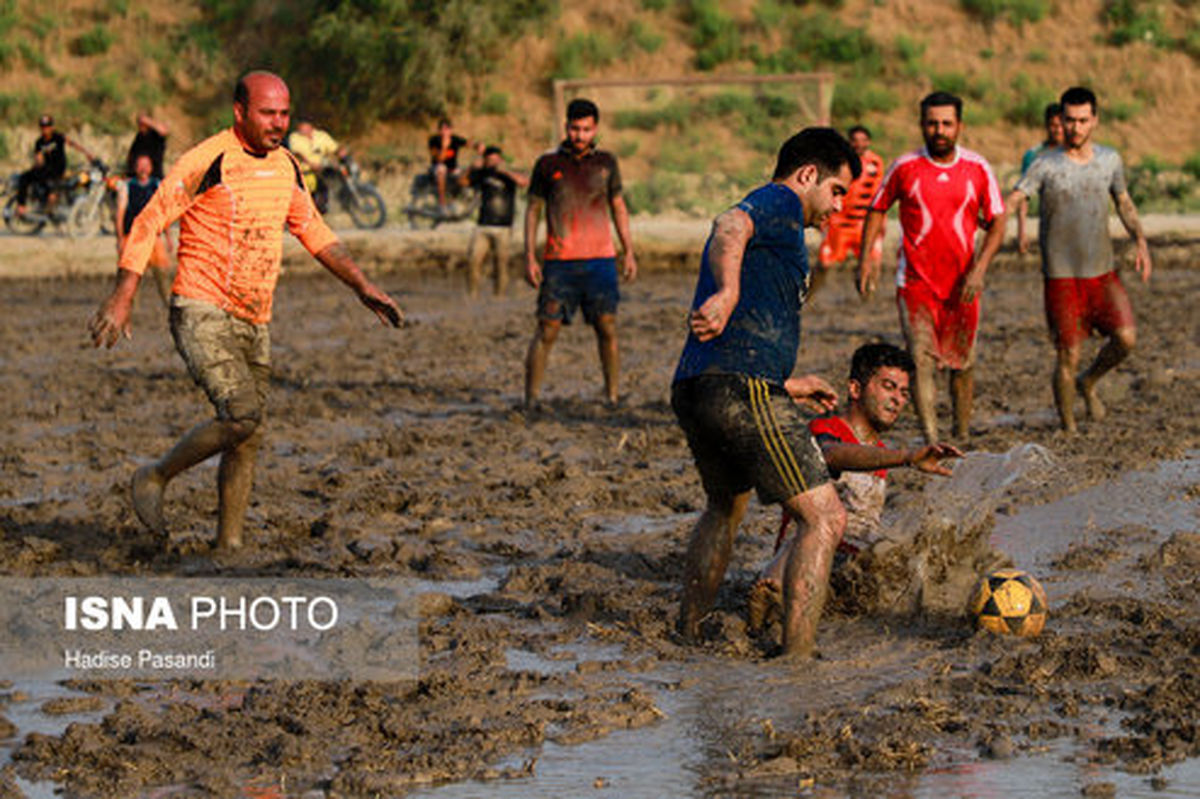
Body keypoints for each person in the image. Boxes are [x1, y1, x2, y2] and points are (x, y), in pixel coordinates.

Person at [89, 71, 403, 552]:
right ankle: (154, 476)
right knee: (240, 414)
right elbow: (150, 219)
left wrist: (362, 286)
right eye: (267, 113)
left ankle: (228, 546)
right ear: (240, 112)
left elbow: (315, 232)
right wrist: (123, 295)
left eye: (284, 113)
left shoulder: (287, 166)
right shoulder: (208, 159)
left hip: (255, 316)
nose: (278, 123)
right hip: (201, 305)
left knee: (247, 434)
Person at [671, 127, 859, 658]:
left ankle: (687, 633)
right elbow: (729, 224)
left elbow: (752, 317)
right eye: (837, 191)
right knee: (825, 516)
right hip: (738, 387)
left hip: (700, 384)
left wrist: (787, 384)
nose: (838, 207)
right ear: (806, 176)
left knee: (724, 507)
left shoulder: (781, 231)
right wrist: (727, 292)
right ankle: (798, 659)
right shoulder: (778, 200)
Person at [747, 343, 963, 633]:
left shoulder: (881, 452)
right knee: (803, 538)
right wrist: (908, 458)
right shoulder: (827, 429)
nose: (897, 400)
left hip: (855, 563)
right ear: (855, 389)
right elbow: (831, 455)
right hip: (812, 549)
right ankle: (773, 590)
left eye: (903, 393)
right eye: (888, 387)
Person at [857, 91, 1006, 444]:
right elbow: (877, 208)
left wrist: (980, 268)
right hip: (915, 284)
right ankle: (932, 440)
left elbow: (997, 223)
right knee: (921, 361)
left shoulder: (978, 168)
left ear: (959, 126)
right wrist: (867, 258)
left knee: (962, 364)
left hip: (963, 285)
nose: (939, 130)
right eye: (932, 123)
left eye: (946, 124)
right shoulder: (905, 166)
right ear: (922, 125)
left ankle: (962, 432)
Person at [1006, 86, 1151, 433]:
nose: (1075, 127)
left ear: (1094, 121)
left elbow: (1124, 202)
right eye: (1069, 120)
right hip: (1061, 276)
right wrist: (991, 218)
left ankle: (1090, 381)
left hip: (1102, 272)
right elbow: (1014, 199)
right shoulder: (1044, 164)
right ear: (1061, 120)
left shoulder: (1109, 160)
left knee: (1126, 338)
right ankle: (1069, 427)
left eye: (1083, 120)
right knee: (1067, 355)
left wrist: (1141, 240)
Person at [524, 98, 637, 408]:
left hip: (600, 261)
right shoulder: (547, 165)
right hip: (559, 262)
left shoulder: (607, 163)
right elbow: (533, 210)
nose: (580, 135)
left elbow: (618, 208)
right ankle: (531, 400)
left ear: (595, 129)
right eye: (575, 128)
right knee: (547, 329)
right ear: (566, 127)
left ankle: (612, 396)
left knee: (607, 327)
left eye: (586, 129)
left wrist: (628, 252)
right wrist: (529, 257)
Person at [812, 125, 885, 296]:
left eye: (863, 140)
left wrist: (881, 222)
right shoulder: (839, 162)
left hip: (864, 223)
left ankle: (868, 299)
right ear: (849, 142)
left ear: (868, 142)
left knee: (873, 262)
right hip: (840, 223)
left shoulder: (875, 162)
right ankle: (807, 297)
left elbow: (879, 195)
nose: (859, 144)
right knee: (824, 264)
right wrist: (823, 218)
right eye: (855, 141)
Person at [461, 144, 528, 296]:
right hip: (483, 226)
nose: (492, 163)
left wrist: (505, 171)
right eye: (489, 160)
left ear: (500, 160)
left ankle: (500, 296)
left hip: (503, 228)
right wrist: (472, 167)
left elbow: (524, 182)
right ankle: (472, 294)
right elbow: (462, 182)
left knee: (501, 264)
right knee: (473, 259)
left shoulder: (508, 175)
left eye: (495, 160)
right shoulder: (482, 174)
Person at [114, 152, 172, 305]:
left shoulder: (157, 185)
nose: (143, 169)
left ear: (151, 168)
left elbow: (163, 213)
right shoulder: (127, 186)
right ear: (135, 168)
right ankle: (130, 306)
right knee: (130, 276)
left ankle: (168, 304)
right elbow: (119, 214)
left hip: (153, 237)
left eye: (146, 165)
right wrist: (119, 239)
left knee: (163, 274)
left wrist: (168, 237)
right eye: (140, 165)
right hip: (132, 237)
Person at [15, 114, 96, 216]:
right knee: (24, 177)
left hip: (57, 169)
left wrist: (87, 154)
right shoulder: (39, 142)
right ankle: (21, 205)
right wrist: (37, 162)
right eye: (43, 127)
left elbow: (73, 144)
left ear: (52, 127)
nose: (45, 129)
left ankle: (51, 209)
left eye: (47, 126)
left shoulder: (58, 137)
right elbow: (38, 157)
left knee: (53, 190)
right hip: (45, 169)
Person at [1016, 103, 1063, 255]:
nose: (1058, 130)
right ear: (1047, 126)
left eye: (1061, 125)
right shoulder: (1035, 156)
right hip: (1049, 226)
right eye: (1053, 125)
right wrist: (1022, 231)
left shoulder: (1078, 153)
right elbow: (1023, 197)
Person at [288, 119, 347, 213]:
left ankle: (337, 203)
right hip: (305, 172)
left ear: (310, 126)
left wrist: (340, 151)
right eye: (300, 127)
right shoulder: (294, 137)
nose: (302, 130)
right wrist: (310, 163)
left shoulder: (321, 136)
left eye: (305, 126)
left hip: (321, 170)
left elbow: (333, 147)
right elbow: (297, 153)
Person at [429, 118, 467, 216]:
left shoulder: (455, 139)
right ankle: (442, 203)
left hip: (452, 168)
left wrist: (478, 146)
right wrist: (444, 147)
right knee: (442, 169)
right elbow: (439, 159)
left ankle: (455, 200)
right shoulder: (434, 141)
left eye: (447, 129)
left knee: (465, 173)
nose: (445, 131)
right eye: (442, 129)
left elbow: (467, 143)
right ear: (439, 131)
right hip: (437, 167)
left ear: (451, 130)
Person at [126, 112, 170, 179]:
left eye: (144, 123)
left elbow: (164, 131)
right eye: (140, 123)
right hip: (137, 177)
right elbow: (132, 157)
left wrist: (149, 122)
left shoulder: (156, 135)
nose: (141, 126)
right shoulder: (139, 136)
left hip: (154, 176)